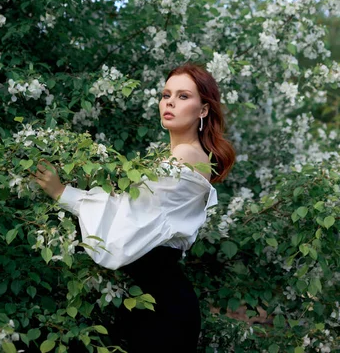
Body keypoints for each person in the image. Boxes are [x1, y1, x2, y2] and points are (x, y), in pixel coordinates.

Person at [31, 62, 236, 353]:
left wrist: (64, 193)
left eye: (183, 96)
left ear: (203, 110)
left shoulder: (186, 156)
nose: (170, 102)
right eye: (166, 95)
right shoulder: (171, 157)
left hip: (164, 308)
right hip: (150, 300)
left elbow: (126, 214)